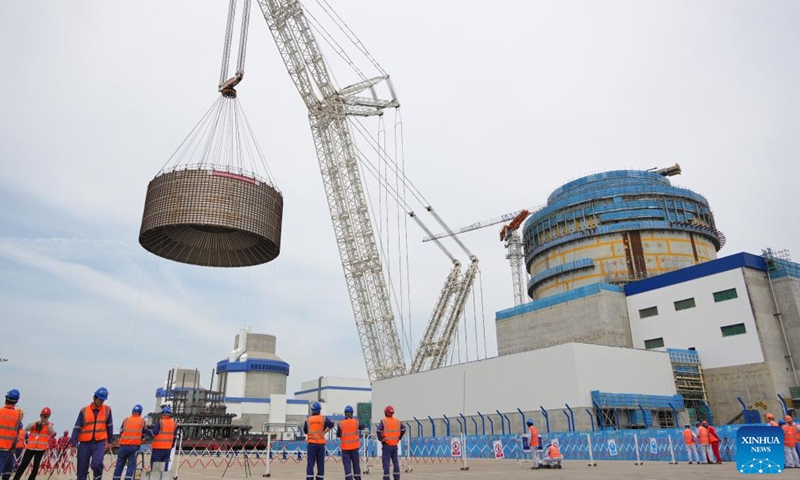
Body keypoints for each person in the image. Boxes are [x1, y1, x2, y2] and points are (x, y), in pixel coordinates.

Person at [70, 387, 113, 480]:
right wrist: (73, 444)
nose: (101, 402)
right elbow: (77, 427)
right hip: (85, 443)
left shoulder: (107, 410)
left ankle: (97, 478)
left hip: (99, 442)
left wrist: (110, 442)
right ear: (94, 398)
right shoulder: (84, 410)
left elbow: (110, 427)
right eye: (100, 399)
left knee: (97, 464)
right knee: (82, 468)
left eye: (103, 400)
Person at [13, 408, 55, 480]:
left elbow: (52, 433)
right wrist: (35, 423)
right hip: (30, 448)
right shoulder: (35, 423)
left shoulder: (50, 425)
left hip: (40, 449)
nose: (44, 418)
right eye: (43, 416)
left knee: (36, 467)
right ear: (40, 415)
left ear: (48, 416)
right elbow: (26, 428)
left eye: (46, 416)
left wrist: (48, 424)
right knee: (23, 465)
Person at [113, 405, 151, 480]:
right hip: (134, 446)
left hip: (123, 446)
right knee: (131, 466)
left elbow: (121, 432)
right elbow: (144, 433)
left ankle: (115, 478)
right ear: (140, 412)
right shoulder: (142, 421)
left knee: (119, 465)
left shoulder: (126, 420)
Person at [303, 402, 332, 480]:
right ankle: (320, 478)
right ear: (320, 410)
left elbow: (305, 431)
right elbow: (331, 425)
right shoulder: (323, 418)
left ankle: (309, 478)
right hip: (320, 444)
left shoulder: (308, 419)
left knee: (310, 463)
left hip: (312, 444)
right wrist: (324, 432)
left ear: (312, 410)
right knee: (320, 464)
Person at [336, 405, 366, 480]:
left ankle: (349, 478)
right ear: (352, 413)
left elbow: (338, 434)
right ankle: (358, 478)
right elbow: (362, 426)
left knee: (347, 466)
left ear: (345, 413)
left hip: (345, 449)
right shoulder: (356, 422)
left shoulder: (341, 423)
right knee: (356, 464)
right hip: (354, 448)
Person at [376, 405, 405, 480]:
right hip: (395, 445)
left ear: (385, 413)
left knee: (386, 464)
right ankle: (397, 477)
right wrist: (399, 437)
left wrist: (381, 439)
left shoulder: (384, 421)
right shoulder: (397, 421)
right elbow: (404, 429)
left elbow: (378, 430)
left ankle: (386, 478)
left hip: (387, 445)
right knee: (396, 463)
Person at [0, 390, 22, 480]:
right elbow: (16, 432)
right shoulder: (18, 415)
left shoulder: (1, 411)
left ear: (6, 399)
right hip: (6, 447)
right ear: (16, 401)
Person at [150, 405, 176, 472]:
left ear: (163, 414)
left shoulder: (160, 423)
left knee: (156, 467)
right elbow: (174, 437)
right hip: (167, 449)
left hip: (158, 448)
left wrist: (147, 431)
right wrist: (171, 445)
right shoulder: (174, 424)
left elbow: (154, 433)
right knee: (165, 467)